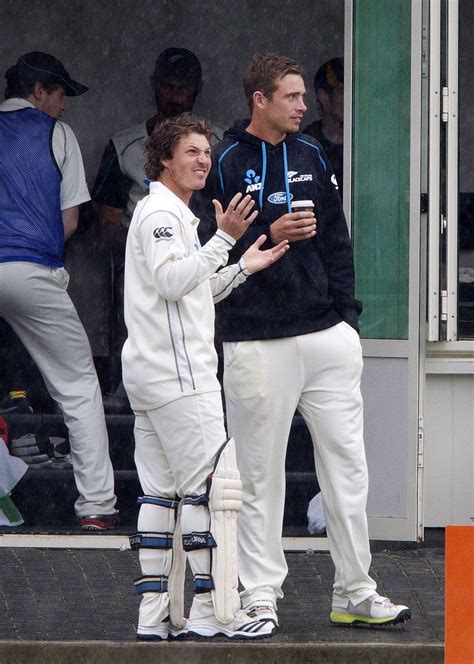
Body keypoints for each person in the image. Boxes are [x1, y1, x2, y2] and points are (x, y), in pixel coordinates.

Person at [192, 53, 410, 631]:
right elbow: (204, 252)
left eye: (302, 96)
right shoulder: (226, 161)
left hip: (325, 335)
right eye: (291, 96)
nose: (304, 104)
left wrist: (347, 319)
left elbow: (337, 237)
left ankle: (355, 591)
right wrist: (267, 231)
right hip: (256, 341)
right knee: (259, 474)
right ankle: (260, 594)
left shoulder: (313, 153)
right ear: (258, 100)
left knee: (349, 468)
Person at [122, 113, 288, 640]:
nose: (202, 160)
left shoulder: (162, 214)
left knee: (161, 495)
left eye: (206, 152)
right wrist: (224, 239)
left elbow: (188, 292)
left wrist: (242, 266)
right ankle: (214, 612)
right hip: (179, 379)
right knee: (210, 493)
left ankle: (154, 619)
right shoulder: (161, 215)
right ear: (164, 160)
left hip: (153, 377)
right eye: (190, 151)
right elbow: (174, 283)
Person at [0, 51, 118, 530]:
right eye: (61, 94)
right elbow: (69, 221)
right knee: (77, 385)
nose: (64, 106)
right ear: (39, 90)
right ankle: (96, 505)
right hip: (32, 269)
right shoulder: (57, 135)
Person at [92, 48, 223, 394]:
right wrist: (149, 251)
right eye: (169, 85)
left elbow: (235, 212)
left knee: (224, 296)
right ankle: (134, 385)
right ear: (154, 86)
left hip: (210, 255)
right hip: (143, 259)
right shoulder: (125, 145)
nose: (177, 95)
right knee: (137, 290)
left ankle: (212, 384)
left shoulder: (220, 144)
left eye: (185, 86)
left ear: (199, 89)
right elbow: (107, 224)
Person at [303, 57, 344, 196]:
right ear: (324, 97)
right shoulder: (308, 145)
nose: (354, 99)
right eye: (343, 91)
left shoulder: (366, 142)